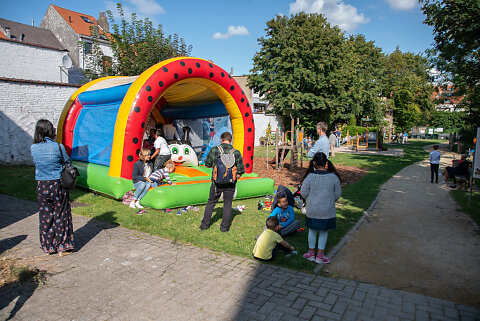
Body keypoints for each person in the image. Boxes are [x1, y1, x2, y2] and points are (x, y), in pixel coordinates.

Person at [30, 119, 74, 256]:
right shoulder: (58, 147)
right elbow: (67, 161)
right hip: (57, 183)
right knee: (61, 214)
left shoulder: (33, 148)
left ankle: (48, 245)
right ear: (50, 131)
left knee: (45, 214)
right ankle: (62, 245)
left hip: (42, 184)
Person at [301, 152, 342, 264]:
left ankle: (310, 254)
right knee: (324, 231)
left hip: (313, 209)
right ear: (325, 163)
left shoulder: (309, 177)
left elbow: (303, 192)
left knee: (312, 230)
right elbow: (338, 194)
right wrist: (329, 201)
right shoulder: (334, 177)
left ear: (314, 163)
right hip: (327, 210)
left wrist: (311, 200)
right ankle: (320, 256)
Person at [200, 132, 245, 232]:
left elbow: (207, 164)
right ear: (231, 140)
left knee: (211, 203)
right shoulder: (236, 152)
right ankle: (224, 228)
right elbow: (241, 170)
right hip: (230, 183)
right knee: (227, 204)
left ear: (221, 139)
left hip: (216, 183)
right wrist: (234, 178)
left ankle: (204, 226)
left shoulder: (215, 149)